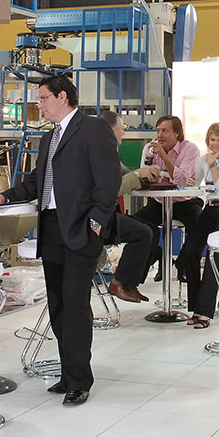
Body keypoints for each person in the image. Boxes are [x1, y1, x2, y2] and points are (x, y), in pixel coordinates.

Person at [0, 76, 119, 406]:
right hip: (52, 228)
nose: (39, 104)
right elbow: (36, 182)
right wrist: (5, 196)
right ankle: (68, 373)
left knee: (75, 303)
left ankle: (80, 380)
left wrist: (95, 224)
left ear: (62, 96)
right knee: (57, 303)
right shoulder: (49, 138)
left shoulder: (93, 129)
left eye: (43, 98)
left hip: (81, 229)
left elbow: (108, 180)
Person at [178, 122, 219, 328]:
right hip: (210, 209)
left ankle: (205, 312)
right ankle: (196, 307)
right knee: (190, 251)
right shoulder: (204, 160)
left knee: (213, 256)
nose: (215, 144)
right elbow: (195, 183)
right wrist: (188, 182)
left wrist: (212, 164)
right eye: (212, 140)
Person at [133, 115, 202, 280]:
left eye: (165, 131)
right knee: (135, 225)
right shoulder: (149, 148)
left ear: (177, 133)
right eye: (158, 131)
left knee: (200, 226)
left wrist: (164, 157)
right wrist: (160, 173)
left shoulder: (190, 149)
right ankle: (161, 256)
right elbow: (146, 177)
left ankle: (183, 264)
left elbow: (182, 182)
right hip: (159, 201)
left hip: (185, 202)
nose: (160, 135)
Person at [97, 110, 155, 303]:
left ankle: (130, 284)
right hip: (98, 220)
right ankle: (118, 282)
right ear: (111, 129)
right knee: (143, 233)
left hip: (108, 215)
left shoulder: (109, 151)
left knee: (152, 230)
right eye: (122, 128)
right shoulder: (99, 153)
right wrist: (138, 175)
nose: (124, 133)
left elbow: (124, 173)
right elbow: (111, 189)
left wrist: (145, 172)